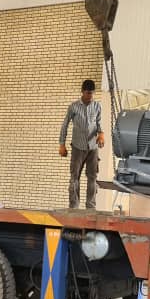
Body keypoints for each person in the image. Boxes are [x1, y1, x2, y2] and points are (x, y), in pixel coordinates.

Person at [59, 79, 104, 209]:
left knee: (92, 177)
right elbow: (65, 125)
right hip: (77, 148)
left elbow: (99, 123)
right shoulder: (73, 107)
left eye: (92, 93)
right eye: (88, 93)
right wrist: (62, 144)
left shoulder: (97, 106)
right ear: (82, 92)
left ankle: (91, 206)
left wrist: (101, 134)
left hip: (93, 148)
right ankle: (74, 206)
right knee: (75, 177)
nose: (90, 96)